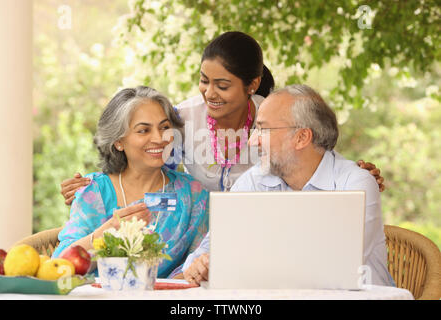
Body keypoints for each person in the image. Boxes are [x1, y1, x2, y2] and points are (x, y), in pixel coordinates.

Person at [60, 31, 385, 201]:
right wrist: (97, 184)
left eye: (223, 85)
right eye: (204, 80)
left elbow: (311, 151)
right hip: (198, 233)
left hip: (262, 227)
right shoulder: (183, 117)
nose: (209, 92)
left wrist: (354, 173)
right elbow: (146, 155)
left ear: (252, 85)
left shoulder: (274, 114)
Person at [183, 84, 394, 287]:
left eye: (263, 129)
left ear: (302, 137)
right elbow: (212, 246)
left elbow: (331, 267)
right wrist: (198, 264)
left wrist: (245, 260)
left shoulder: (355, 184)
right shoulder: (254, 181)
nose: (252, 141)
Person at [51, 86, 209, 279]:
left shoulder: (192, 193)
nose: (159, 139)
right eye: (143, 130)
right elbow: (60, 265)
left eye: (165, 127)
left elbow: (200, 263)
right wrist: (106, 233)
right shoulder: (96, 192)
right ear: (118, 141)